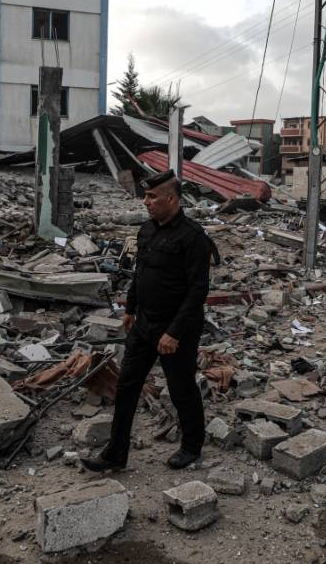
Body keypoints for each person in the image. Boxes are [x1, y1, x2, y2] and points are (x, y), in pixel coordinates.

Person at [81, 169, 214, 471]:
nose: (146, 202)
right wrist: (130, 308)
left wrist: (175, 333)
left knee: (181, 388)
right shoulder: (147, 230)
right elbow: (140, 274)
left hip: (175, 330)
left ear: (170, 198)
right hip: (144, 324)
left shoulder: (193, 238)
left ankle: (192, 446)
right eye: (146, 196)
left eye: (152, 197)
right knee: (127, 386)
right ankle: (116, 453)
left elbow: (198, 291)